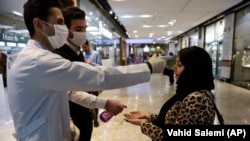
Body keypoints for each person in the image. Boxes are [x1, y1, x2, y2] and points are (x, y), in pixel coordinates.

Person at [7, 0, 165, 141]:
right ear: (39, 24)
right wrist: (148, 68)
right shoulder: (38, 61)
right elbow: (99, 76)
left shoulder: (40, 58)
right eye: (60, 22)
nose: (65, 29)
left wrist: (102, 103)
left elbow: (68, 92)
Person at [124, 46, 224, 140]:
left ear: (193, 69)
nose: (174, 68)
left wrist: (144, 123)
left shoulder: (197, 99)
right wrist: (148, 116)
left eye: (179, 65)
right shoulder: (188, 92)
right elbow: (174, 119)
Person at [53, 6, 101, 141]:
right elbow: (68, 91)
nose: (83, 33)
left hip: (86, 109)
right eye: (78, 29)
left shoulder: (78, 51)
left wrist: (92, 105)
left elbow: (84, 81)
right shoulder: (59, 55)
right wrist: (101, 103)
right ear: (66, 30)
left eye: (85, 28)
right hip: (71, 115)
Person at [82, 39, 102, 127]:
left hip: (93, 82)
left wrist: (91, 63)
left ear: (88, 45)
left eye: (85, 47)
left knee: (95, 100)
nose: (83, 49)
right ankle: (89, 117)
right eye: (82, 47)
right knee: (86, 100)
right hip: (84, 82)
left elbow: (100, 66)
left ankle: (95, 119)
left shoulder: (96, 54)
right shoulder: (82, 55)